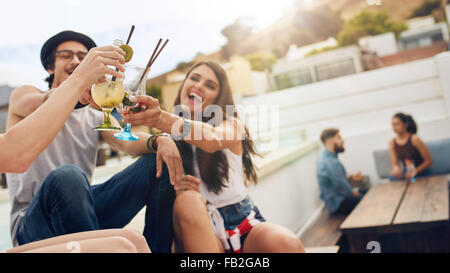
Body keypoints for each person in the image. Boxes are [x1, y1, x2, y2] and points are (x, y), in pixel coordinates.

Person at [6, 30, 179, 252]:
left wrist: (159, 140)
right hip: (34, 223)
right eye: (66, 55)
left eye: (82, 56)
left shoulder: (97, 114)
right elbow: (41, 101)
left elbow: (127, 141)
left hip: (82, 214)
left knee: (156, 162)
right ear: (50, 66)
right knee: (67, 176)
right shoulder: (25, 94)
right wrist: (76, 92)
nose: (76, 61)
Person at [123, 60, 305, 253]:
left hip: (243, 222)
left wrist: (160, 118)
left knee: (287, 244)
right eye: (194, 78)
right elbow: (127, 142)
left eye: (210, 85)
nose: (199, 85)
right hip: (197, 229)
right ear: (184, 85)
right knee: (188, 201)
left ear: (219, 97)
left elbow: (213, 138)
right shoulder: (168, 140)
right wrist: (157, 140)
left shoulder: (232, 125)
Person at [316, 128, 365, 215]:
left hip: (335, 201)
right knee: (368, 198)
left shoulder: (326, 157)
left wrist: (352, 177)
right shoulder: (330, 161)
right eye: (339, 137)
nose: (342, 140)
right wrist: (357, 193)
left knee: (366, 193)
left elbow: (337, 179)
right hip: (338, 204)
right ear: (330, 141)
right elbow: (344, 189)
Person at [389, 113, 433, 180]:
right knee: (393, 179)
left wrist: (416, 171)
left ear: (406, 124)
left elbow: (429, 161)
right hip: (408, 173)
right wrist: (396, 169)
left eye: (397, 124)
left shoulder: (414, 139)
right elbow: (395, 164)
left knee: (415, 183)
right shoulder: (392, 142)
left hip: (420, 172)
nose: (394, 127)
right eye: (393, 125)